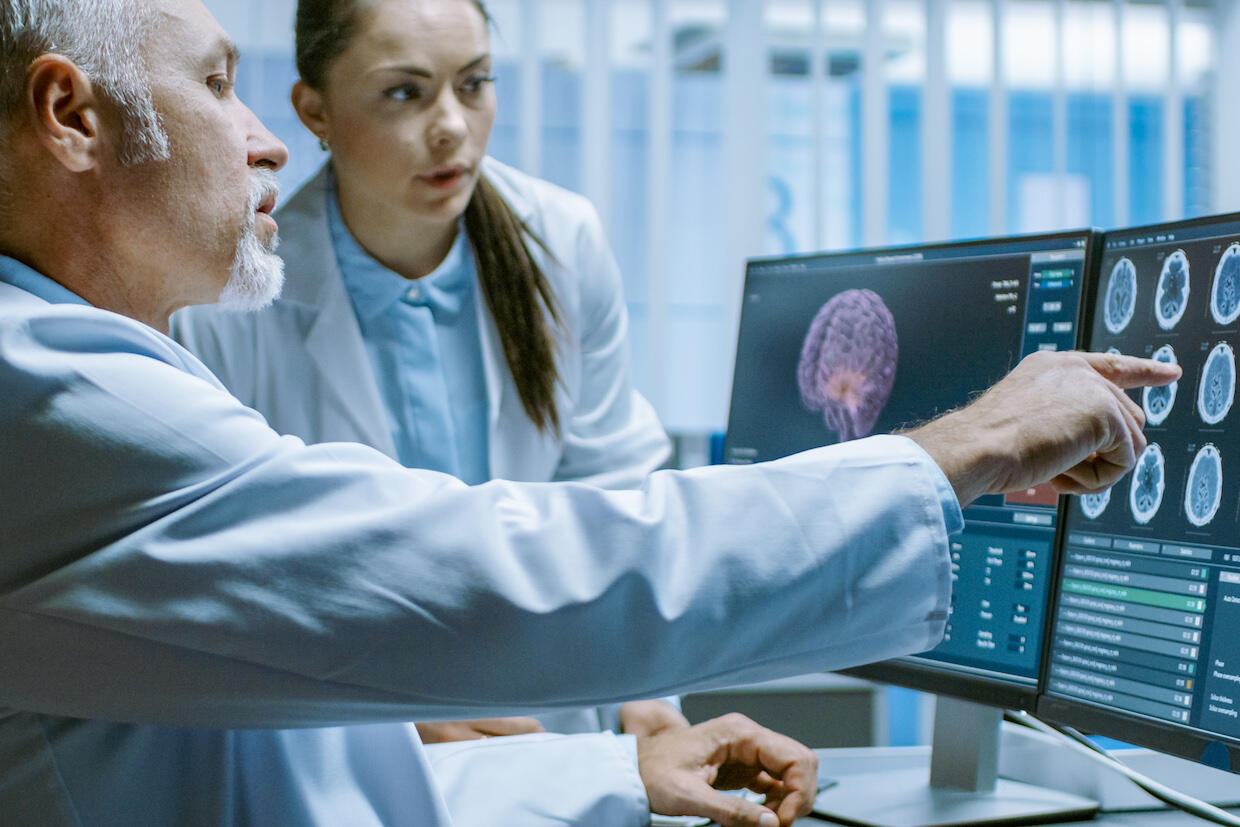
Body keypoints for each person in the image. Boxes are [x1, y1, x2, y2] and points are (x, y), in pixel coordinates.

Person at [0, 1, 1177, 826]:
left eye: (473, 83)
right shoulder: (55, 393)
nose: (255, 139)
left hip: (520, 724)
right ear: (70, 115)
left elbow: (294, 769)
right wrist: (952, 448)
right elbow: (463, 571)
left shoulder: (88, 360)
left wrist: (627, 767)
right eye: (215, 83)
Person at [172, 0, 685, 745]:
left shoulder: (564, 243)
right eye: (404, 92)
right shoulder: (231, 292)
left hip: (556, 722)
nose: (451, 126)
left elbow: (616, 494)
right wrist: (384, 713)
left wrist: (647, 691)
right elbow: (226, 574)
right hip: (344, 732)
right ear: (314, 110)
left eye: (474, 84)